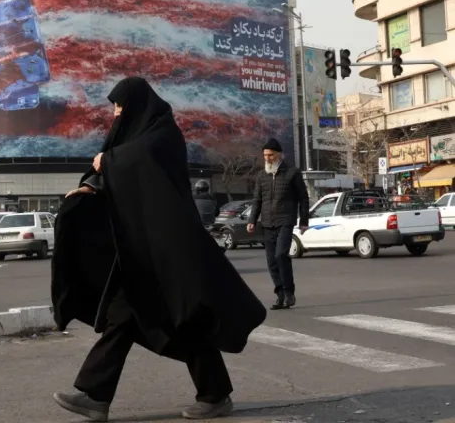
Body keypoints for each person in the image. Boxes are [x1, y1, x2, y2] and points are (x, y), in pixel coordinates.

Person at [51, 77, 266, 422]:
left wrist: (108, 162)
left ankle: (211, 394)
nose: (117, 114)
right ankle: (96, 395)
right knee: (125, 315)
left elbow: (139, 166)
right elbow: (117, 178)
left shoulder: (163, 135)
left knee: (183, 317)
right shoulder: (133, 139)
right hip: (140, 250)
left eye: (120, 107)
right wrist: (91, 187)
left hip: (168, 247)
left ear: (137, 105)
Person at [247, 138, 310, 310]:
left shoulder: (292, 173)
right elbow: (257, 200)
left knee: (281, 255)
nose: (267, 158)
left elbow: (303, 198)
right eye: (265, 155)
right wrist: (252, 220)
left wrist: (304, 221)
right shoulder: (261, 176)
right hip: (267, 223)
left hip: (285, 221)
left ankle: (289, 293)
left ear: (279, 155)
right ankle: (280, 295)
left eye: (270, 155)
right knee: (271, 262)